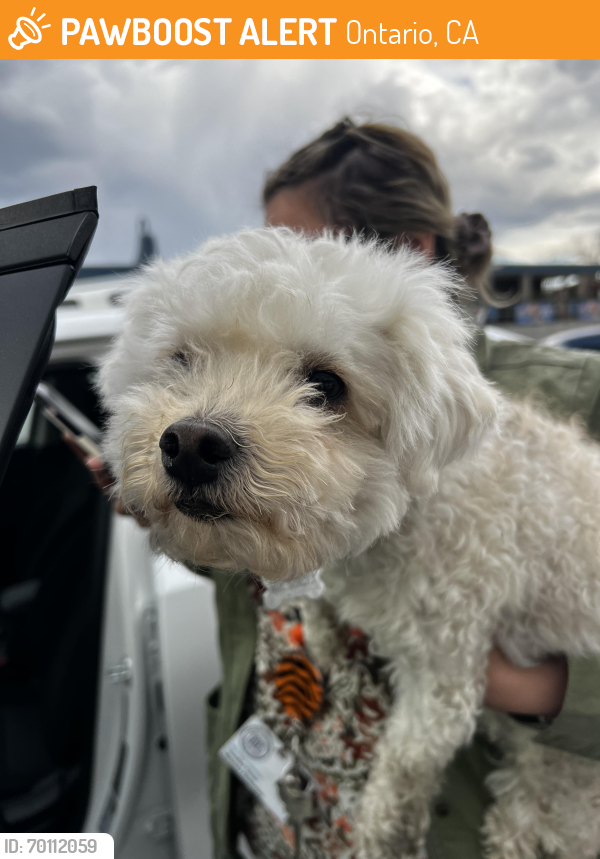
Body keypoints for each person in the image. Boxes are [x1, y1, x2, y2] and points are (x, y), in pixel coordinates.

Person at [202, 119, 600, 859]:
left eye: (301, 246)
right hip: (282, 798)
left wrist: (543, 687)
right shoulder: (250, 401)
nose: (277, 274)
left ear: (403, 251)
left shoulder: (576, 399)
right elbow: (259, 567)